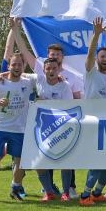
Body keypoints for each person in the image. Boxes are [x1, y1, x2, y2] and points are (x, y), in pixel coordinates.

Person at [0, 53, 36, 202]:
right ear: (9, 66)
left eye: (19, 64)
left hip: (19, 128)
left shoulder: (28, 82)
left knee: (20, 161)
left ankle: (15, 189)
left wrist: (61, 78)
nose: (16, 67)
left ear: (23, 66)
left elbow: (46, 75)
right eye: (13, 64)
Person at [79, 17, 106, 206]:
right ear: (97, 59)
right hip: (93, 123)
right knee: (97, 161)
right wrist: (96, 35)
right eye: (102, 57)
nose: (105, 59)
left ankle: (97, 192)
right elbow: (89, 54)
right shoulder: (91, 73)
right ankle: (84, 195)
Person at [27, 58, 74, 202]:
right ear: (43, 70)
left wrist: (44, 103)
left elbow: (68, 108)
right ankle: (49, 192)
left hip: (61, 127)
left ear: (59, 69)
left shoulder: (64, 86)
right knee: (38, 162)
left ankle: (66, 192)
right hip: (40, 128)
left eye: (54, 68)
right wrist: (0, 76)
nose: (51, 71)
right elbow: (17, 74)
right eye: (48, 68)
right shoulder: (38, 79)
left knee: (64, 160)